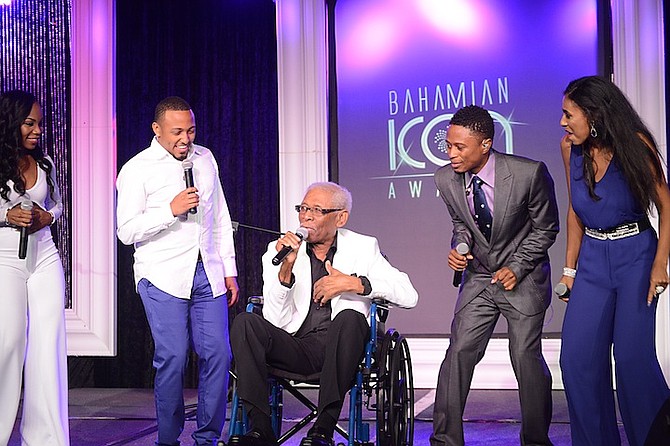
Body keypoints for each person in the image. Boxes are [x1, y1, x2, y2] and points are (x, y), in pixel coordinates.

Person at [229, 181, 418, 446]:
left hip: (344, 349)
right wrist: (286, 271)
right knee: (245, 322)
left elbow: (409, 295)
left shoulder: (364, 247)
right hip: (296, 346)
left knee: (350, 317)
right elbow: (275, 320)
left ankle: (323, 429)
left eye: (316, 210)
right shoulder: (278, 250)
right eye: (303, 208)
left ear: (340, 218)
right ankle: (261, 430)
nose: (306, 216)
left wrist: (356, 283)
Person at [431, 105, 559, 446]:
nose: (451, 154)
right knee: (458, 353)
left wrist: (516, 267)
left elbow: (546, 229)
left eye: (460, 147)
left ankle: (535, 440)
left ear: (485, 144)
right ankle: (445, 440)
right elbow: (462, 225)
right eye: (448, 145)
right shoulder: (445, 178)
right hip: (479, 278)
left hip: (523, 278)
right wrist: (460, 248)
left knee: (525, 358)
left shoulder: (528, 174)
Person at [116, 96, 239, 446]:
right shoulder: (137, 169)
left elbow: (219, 216)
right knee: (172, 356)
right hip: (162, 274)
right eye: (176, 132)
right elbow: (126, 231)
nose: (185, 139)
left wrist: (228, 269)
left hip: (207, 270)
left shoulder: (205, 158)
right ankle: (168, 440)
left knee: (218, 353)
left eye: (191, 130)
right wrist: (170, 210)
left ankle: (207, 439)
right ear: (157, 130)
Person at [558, 76, 670, 445]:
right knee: (576, 361)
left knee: (633, 360)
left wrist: (660, 263)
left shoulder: (635, 145)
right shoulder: (569, 148)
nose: (563, 122)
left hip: (635, 256)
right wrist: (570, 270)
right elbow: (575, 211)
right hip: (591, 261)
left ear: (593, 114)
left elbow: (666, 205)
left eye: (568, 114)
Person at [0, 90, 69, 445]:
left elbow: (57, 206)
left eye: (40, 124)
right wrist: (5, 214)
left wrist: (47, 216)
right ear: (11, 122)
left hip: (44, 255)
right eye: (30, 123)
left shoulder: (45, 164)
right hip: (5, 257)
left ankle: (47, 438)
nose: (37, 130)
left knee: (49, 343)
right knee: (9, 341)